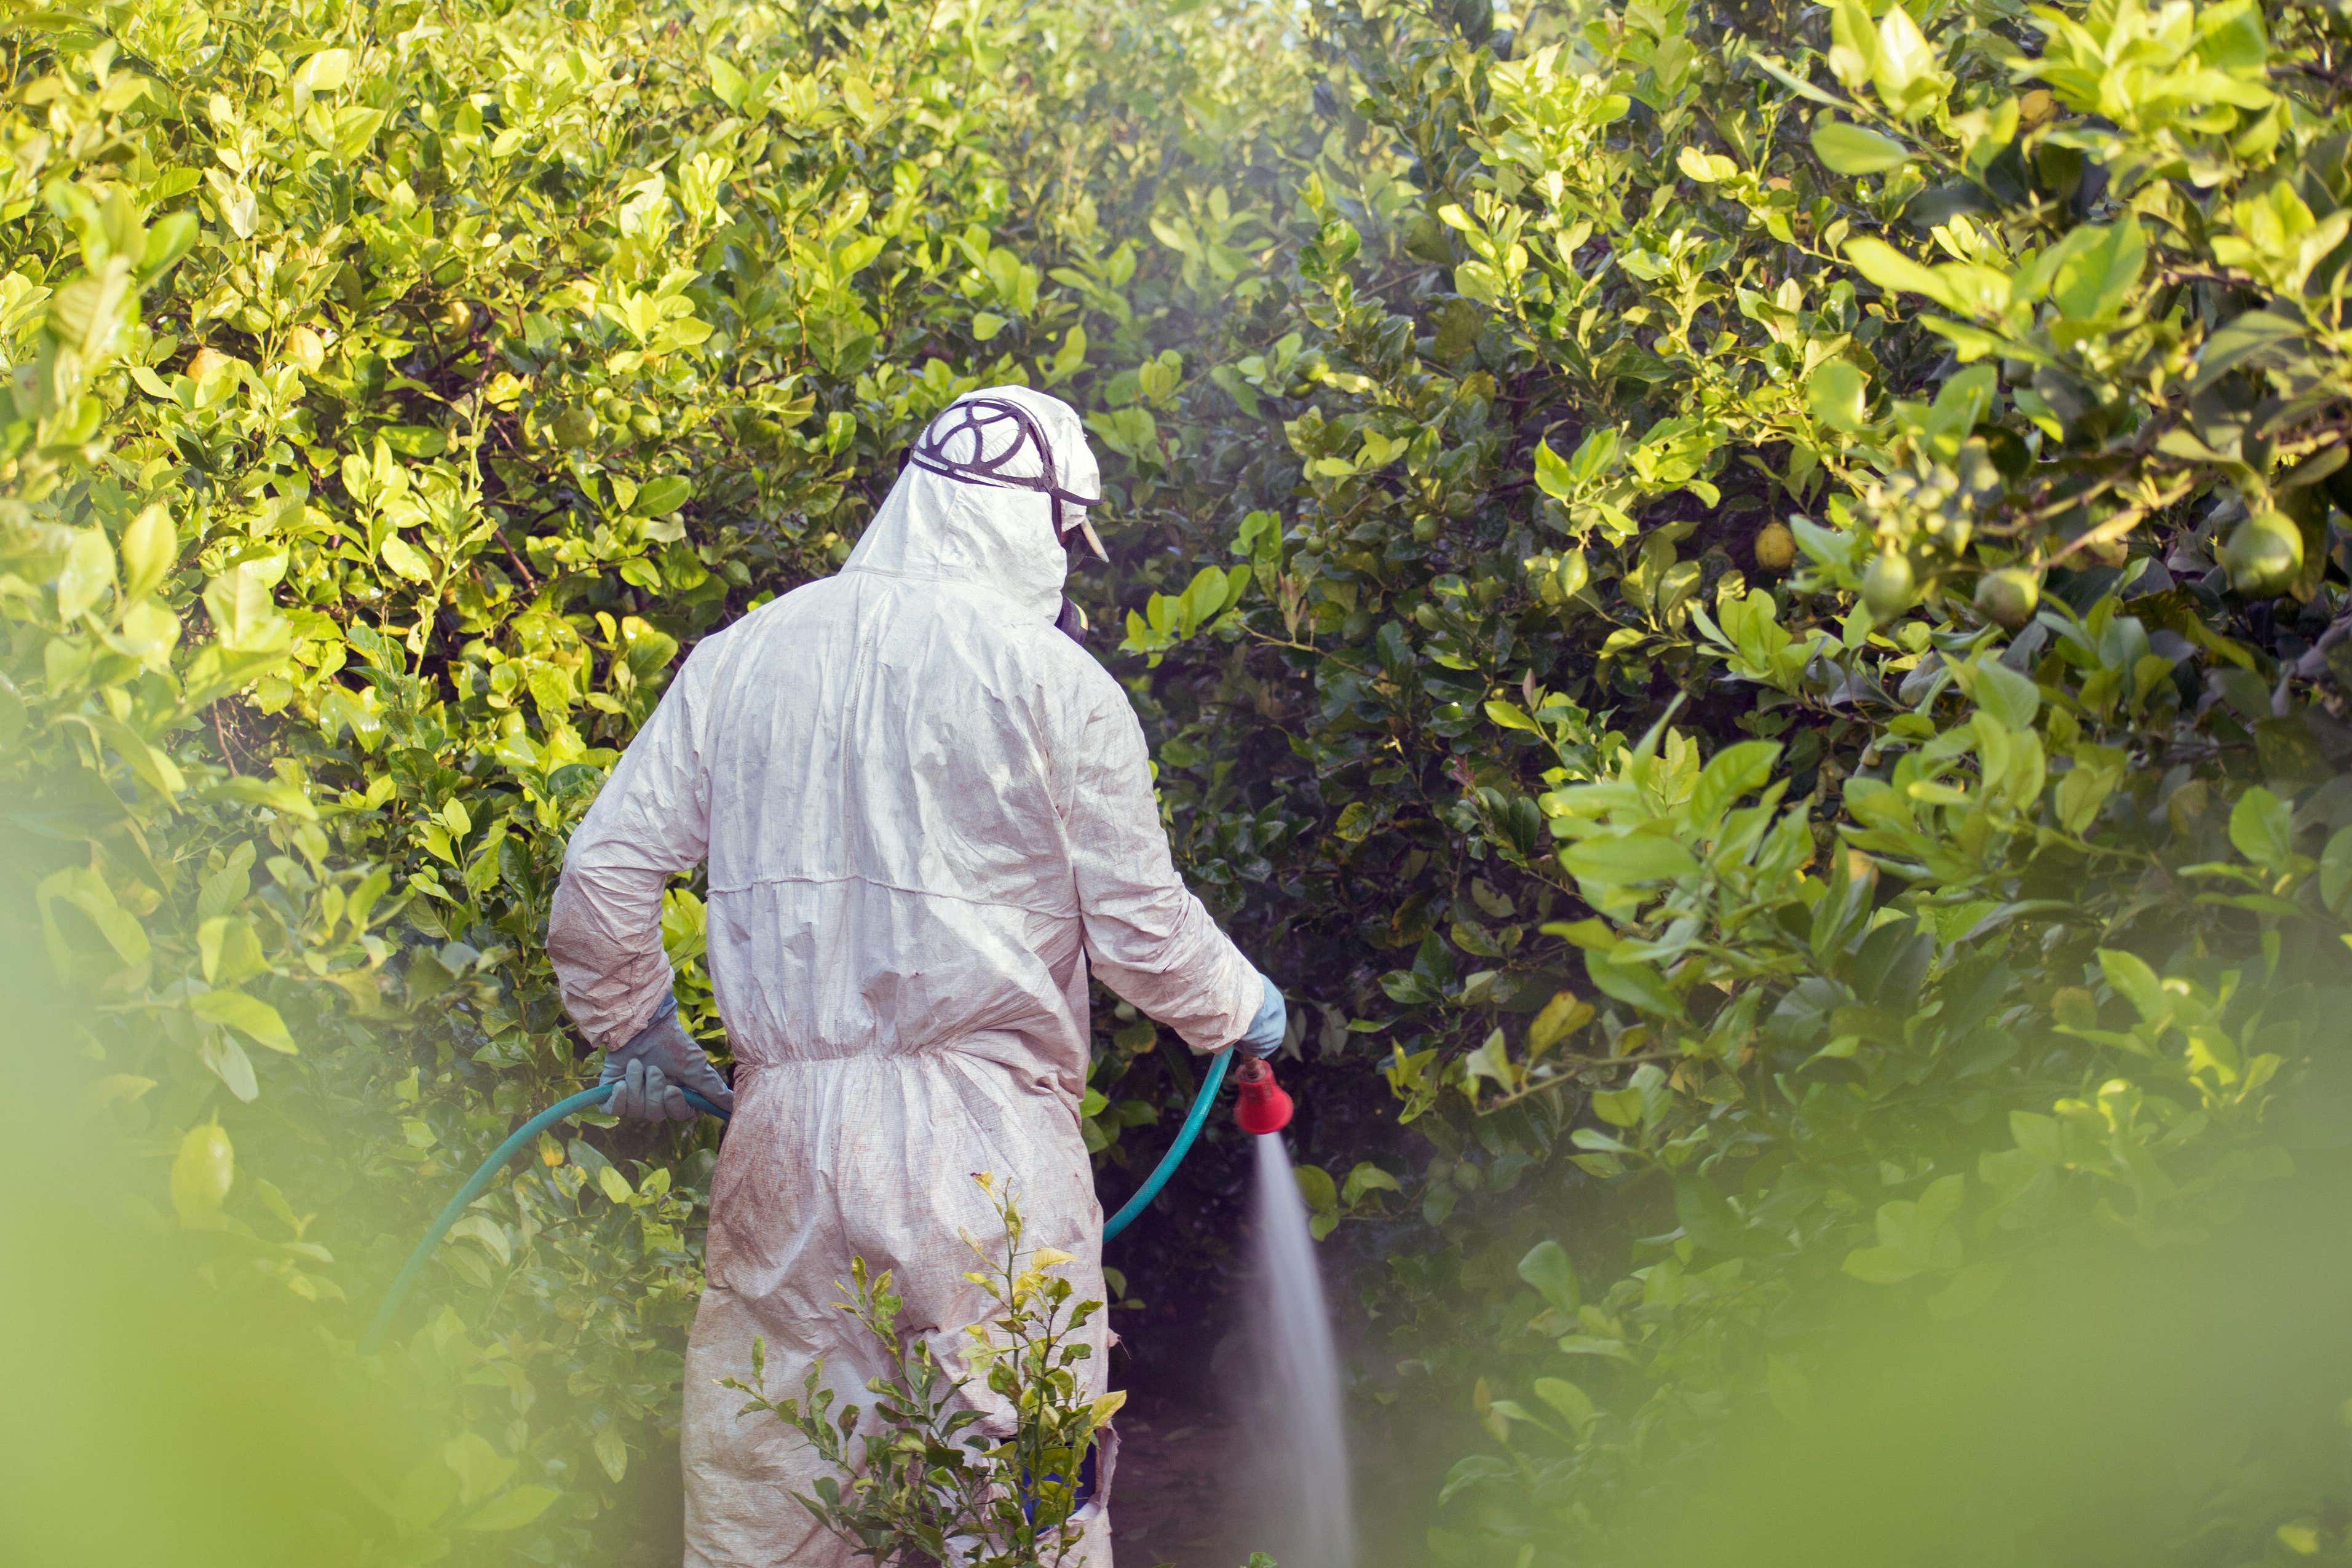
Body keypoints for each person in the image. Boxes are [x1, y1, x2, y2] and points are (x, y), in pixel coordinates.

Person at [545, 386, 1288, 1567]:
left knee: (772, 1496)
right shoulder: (1053, 683)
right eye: (1065, 535)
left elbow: (604, 868)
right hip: (986, 1149)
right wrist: (1241, 1007)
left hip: (783, 1141)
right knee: (1022, 1505)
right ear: (1036, 521)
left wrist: (633, 1025)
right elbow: (1143, 931)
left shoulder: (745, 655)